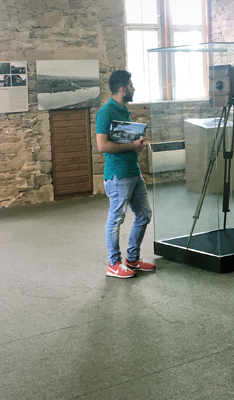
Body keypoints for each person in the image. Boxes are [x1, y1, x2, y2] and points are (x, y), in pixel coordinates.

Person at [95, 70, 154, 279]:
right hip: (118, 175)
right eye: (131, 85)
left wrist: (135, 144)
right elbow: (102, 145)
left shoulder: (124, 111)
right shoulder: (106, 112)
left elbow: (123, 140)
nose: (133, 88)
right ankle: (114, 264)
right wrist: (132, 145)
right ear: (123, 89)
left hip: (133, 172)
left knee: (144, 214)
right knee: (116, 219)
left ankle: (132, 259)